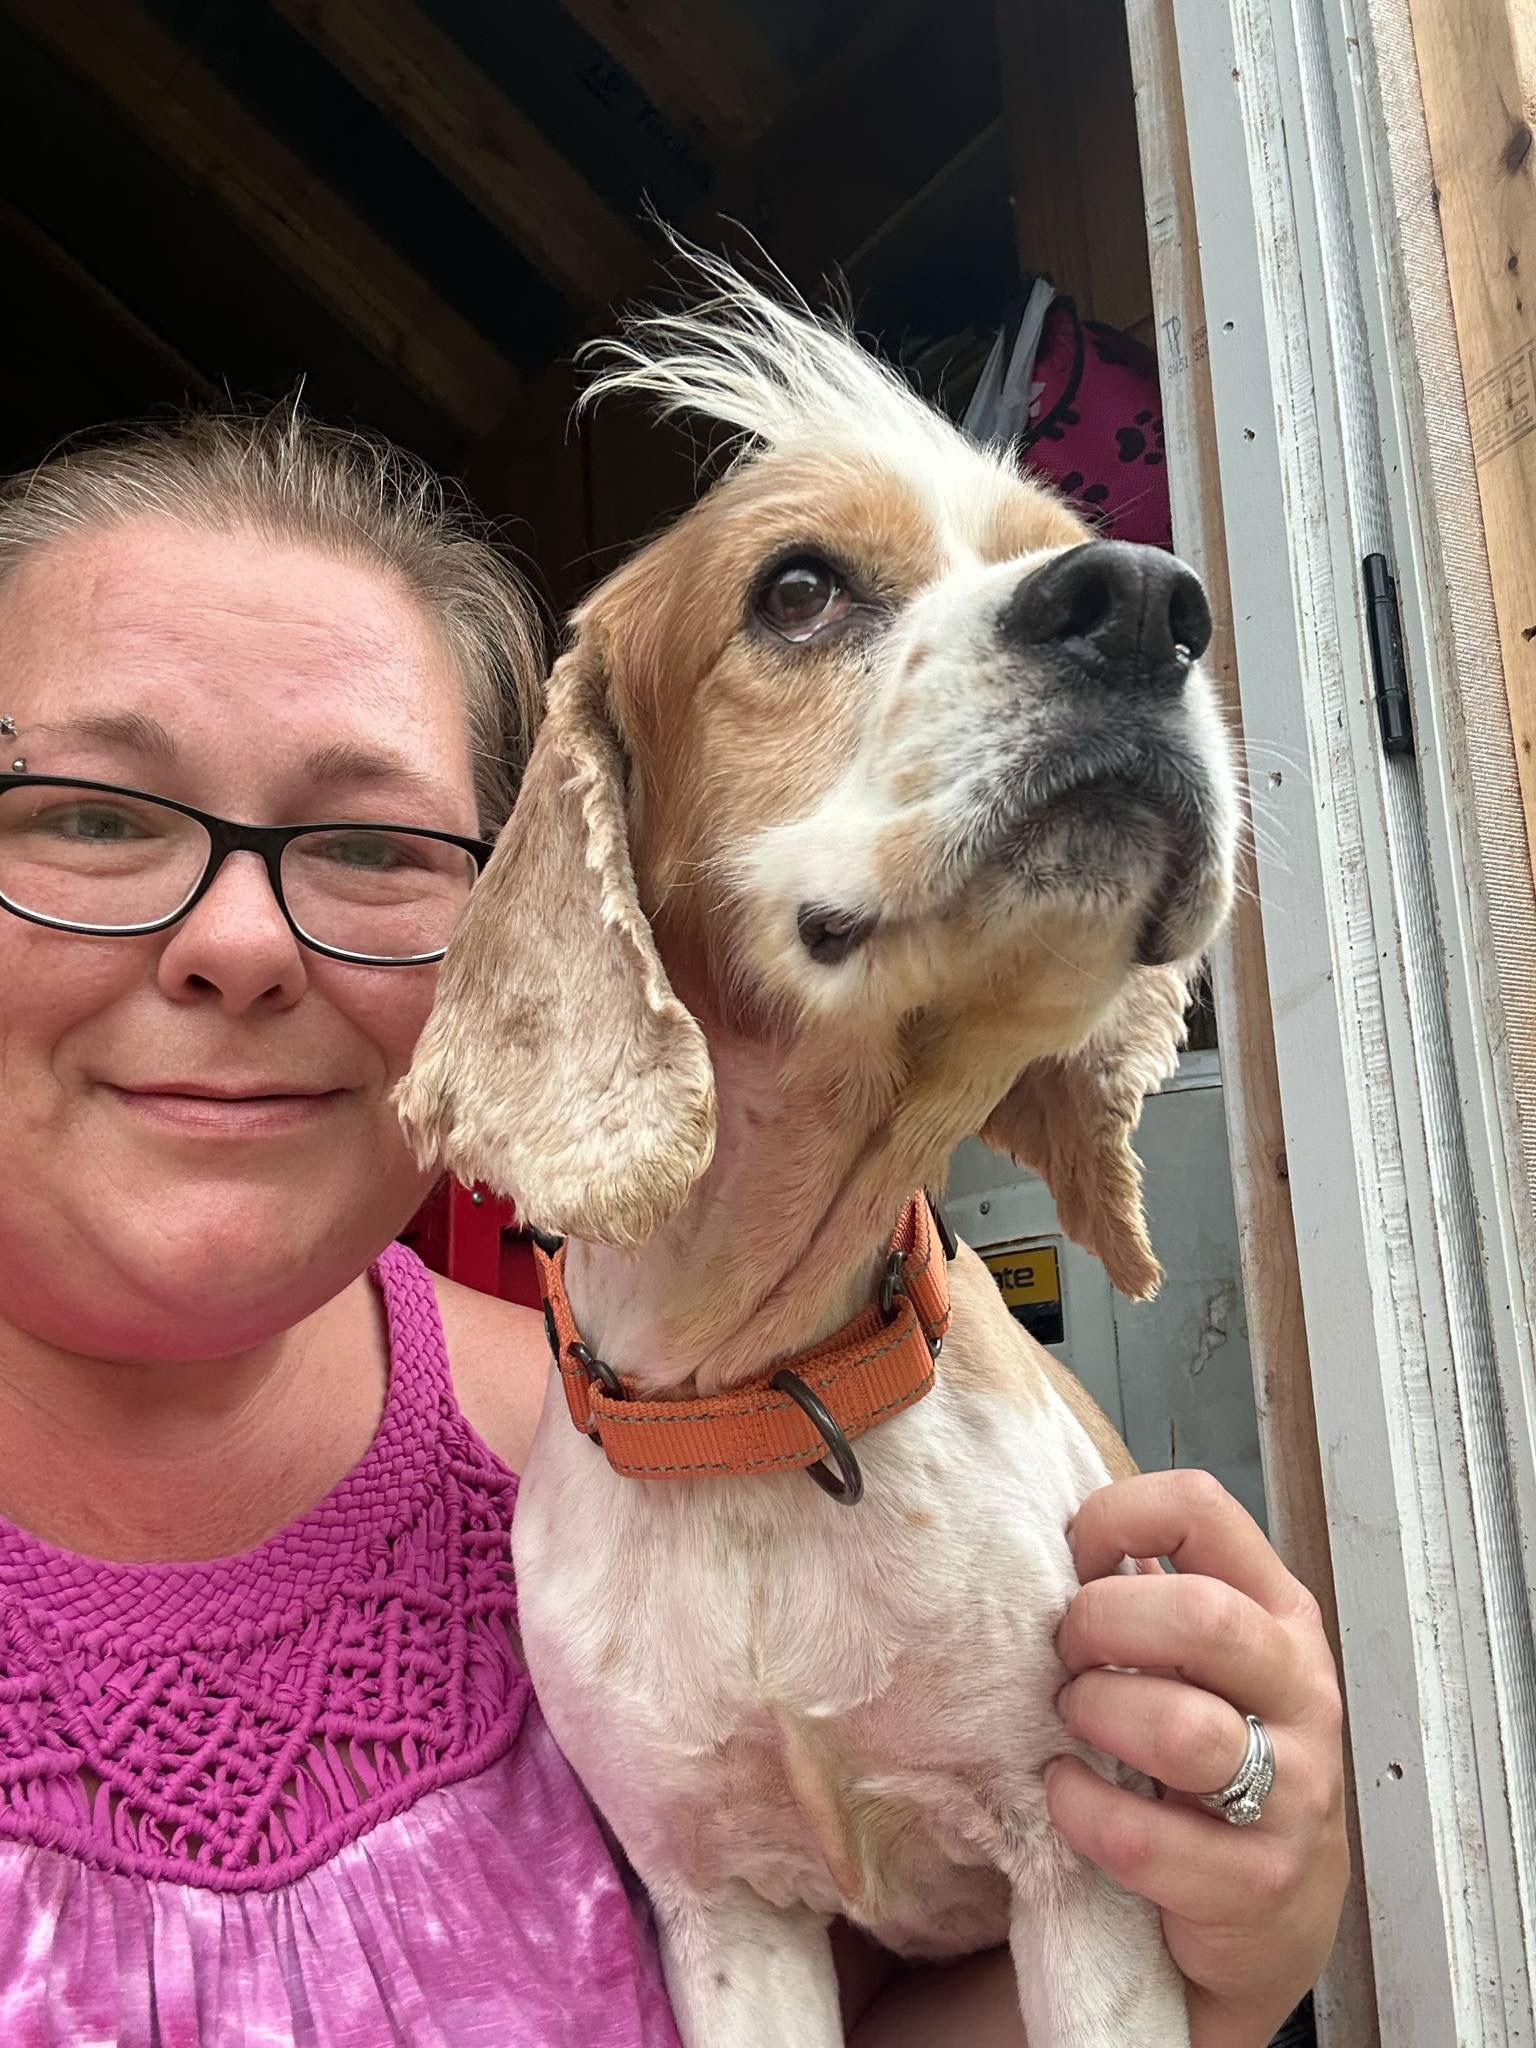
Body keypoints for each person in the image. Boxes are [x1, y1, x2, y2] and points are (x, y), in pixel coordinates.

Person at [0, 407, 1347, 2048]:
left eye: (368, 843)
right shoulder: (578, 1537)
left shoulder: (558, 1462)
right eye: (86, 814)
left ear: (507, 910)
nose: (233, 943)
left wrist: (1238, 1950)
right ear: (594, 881)